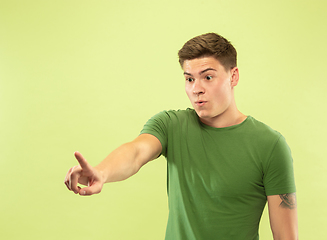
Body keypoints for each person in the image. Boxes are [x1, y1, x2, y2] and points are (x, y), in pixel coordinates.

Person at [64, 33, 298, 240]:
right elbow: (135, 153)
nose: (196, 88)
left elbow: (286, 236)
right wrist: (102, 173)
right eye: (189, 79)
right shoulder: (171, 125)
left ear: (233, 76)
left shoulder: (270, 145)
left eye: (207, 77)